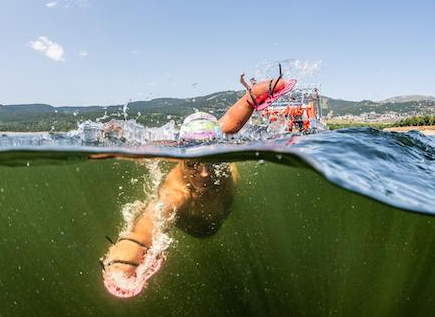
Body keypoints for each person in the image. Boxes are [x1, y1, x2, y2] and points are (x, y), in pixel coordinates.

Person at [100, 72, 293, 297]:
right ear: (181, 156)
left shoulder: (223, 140)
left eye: (212, 161)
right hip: (197, 226)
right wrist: (124, 260)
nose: (204, 173)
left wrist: (262, 89)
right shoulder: (176, 194)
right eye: (192, 164)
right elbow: (147, 225)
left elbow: (237, 113)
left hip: (221, 205)